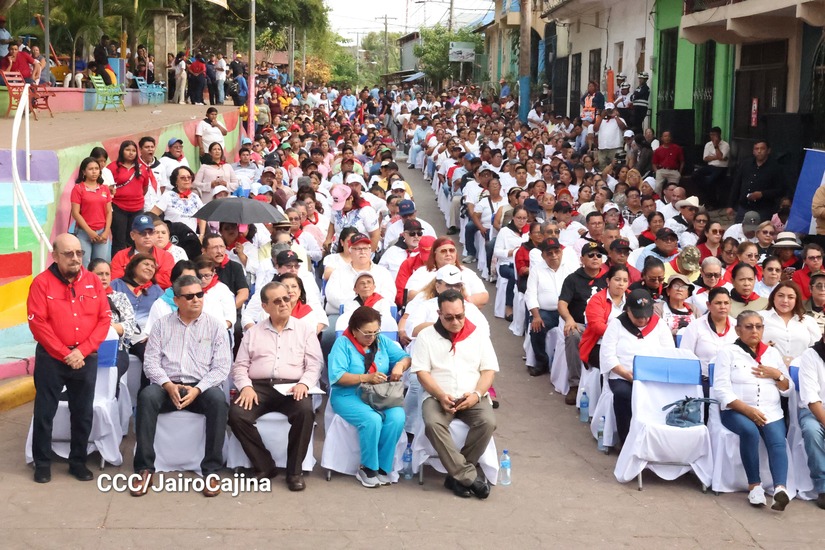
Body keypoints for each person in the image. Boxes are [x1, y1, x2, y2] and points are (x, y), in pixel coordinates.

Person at [130, 275, 231, 497]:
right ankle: (144, 469)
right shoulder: (161, 325)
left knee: (218, 401)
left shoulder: (215, 327)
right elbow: (151, 363)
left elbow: (222, 367)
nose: (196, 300)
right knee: (147, 396)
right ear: (176, 300)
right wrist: (167, 385)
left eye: (199, 294)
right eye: (189, 296)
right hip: (167, 386)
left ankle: (212, 471)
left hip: (201, 387)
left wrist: (198, 389)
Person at [27, 234, 112, 483]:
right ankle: (42, 463)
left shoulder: (93, 281)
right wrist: (66, 353)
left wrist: (82, 351)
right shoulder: (41, 283)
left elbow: (104, 319)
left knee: (82, 413)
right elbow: (38, 324)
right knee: (45, 413)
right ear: (55, 256)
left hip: (85, 357)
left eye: (79, 253)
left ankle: (78, 462)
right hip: (52, 358)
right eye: (68, 253)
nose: (75, 258)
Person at [228, 282, 322, 491]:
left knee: (305, 411)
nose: (283, 304)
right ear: (265, 306)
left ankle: (294, 472)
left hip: (292, 387)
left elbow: (315, 364)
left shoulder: (305, 330)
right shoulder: (253, 333)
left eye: (286, 299)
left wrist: (304, 384)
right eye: (277, 301)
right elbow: (240, 366)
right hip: (258, 387)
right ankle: (264, 466)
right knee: (237, 414)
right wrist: (245, 387)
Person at [412, 290, 498, 499]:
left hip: (472, 395)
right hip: (437, 395)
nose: (456, 322)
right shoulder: (426, 336)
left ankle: (457, 476)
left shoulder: (478, 335)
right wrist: (440, 395)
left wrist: (477, 394)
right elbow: (422, 372)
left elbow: (488, 371)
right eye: (449, 317)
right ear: (439, 314)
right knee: (433, 424)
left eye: (459, 316)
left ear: (464, 311)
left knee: (487, 422)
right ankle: (468, 476)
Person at [713, 310, 792, 510]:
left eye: (758, 327)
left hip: (770, 410)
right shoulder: (728, 352)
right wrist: (748, 411)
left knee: (777, 441)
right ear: (738, 330)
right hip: (737, 410)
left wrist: (777, 375)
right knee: (750, 432)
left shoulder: (772, 353)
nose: (754, 331)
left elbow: (788, 389)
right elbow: (721, 390)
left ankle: (780, 489)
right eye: (749, 327)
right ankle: (754, 487)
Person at [328, 306, 411, 488]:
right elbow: (337, 376)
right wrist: (365, 378)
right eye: (367, 334)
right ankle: (367, 467)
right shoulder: (343, 344)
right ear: (354, 330)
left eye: (375, 332)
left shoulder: (381, 342)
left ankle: (383, 467)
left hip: (379, 394)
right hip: (349, 394)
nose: (371, 337)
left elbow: (405, 357)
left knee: (397, 417)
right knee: (372, 419)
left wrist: (399, 366)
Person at [600, 288, 675, 444]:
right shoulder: (617, 324)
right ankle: (627, 441)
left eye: (646, 315)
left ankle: (653, 441)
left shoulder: (659, 325)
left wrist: (652, 374)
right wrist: (625, 374)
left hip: (653, 376)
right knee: (624, 395)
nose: (643, 320)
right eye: (638, 316)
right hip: (622, 375)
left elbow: (669, 353)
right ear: (628, 311)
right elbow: (608, 355)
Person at [525, 237, 576, 378]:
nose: (554, 255)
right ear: (543, 255)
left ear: (561, 252)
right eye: (549, 253)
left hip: (568, 311)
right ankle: (542, 362)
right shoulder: (536, 270)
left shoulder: (570, 268)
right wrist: (536, 316)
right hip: (546, 312)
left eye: (556, 251)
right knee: (537, 328)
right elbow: (530, 294)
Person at [88, 259, 136, 391]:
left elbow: (130, 327)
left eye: (107, 274)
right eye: (100, 274)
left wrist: (107, 327)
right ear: (90, 275)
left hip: (116, 349)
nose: (104, 277)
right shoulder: (81, 297)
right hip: (86, 349)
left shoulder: (120, 297)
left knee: (111, 382)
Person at [579, 264, 630, 371]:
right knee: (618, 361)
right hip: (598, 344)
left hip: (627, 343)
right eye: (617, 279)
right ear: (608, 281)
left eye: (625, 280)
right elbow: (597, 326)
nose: (621, 284)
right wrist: (622, 334)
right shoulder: (597, 299)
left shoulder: (632, 298)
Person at [795, 335, 825, 509]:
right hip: (815, 410)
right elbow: (811, 398)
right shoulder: (811, 356)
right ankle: (823, 487)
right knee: (812, 431)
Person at [760, 281, 819, 366]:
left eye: (790, 297)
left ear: (796, 300)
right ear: (773, 297)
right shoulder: (760, 317)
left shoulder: (808, 321)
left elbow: (817, 350)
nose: (785, 300)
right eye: (780, 296)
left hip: (801, 369)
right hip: (768, 368)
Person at [110, 214, 175, 290]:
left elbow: (166, 280)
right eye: (143, 233)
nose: (147, 236)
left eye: (151, 232)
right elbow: (115, 280)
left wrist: (138, 282)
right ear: (132, 235)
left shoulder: (166, 256)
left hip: (155, 295)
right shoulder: (120, 256)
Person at [109, 140, 151, 255]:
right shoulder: (112, 167)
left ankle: (133, 262)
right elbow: (107, 187)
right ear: (121, 151)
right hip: (118, 208)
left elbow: (144, 188)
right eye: (127, 150)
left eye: (133, 150)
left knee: (135, 239)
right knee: (119, 239)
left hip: (137, 209)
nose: (131, 153)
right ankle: (119, 263)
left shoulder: (142, 168)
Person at [727, 141, 785, 223]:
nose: (759, 151)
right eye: (756, 149)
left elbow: (780, 190)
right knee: (739, 228)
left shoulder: (775, 168)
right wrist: (730, 205)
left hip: (763, 209)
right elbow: (736, 185)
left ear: (768, 150)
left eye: (762, 148)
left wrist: (762, 194)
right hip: (744, 207)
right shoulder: (746, 164)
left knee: (760, 230)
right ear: (753, 151)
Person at [70, 157, 113, 262]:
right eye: (90, 169)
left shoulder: (105, 189)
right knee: (83, 264)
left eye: (96, 169)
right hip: (84, 232)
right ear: (84, 172)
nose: (94, 172)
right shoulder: (78, 189)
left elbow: (109, 212)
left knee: (99, 264)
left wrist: (106, 232)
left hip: (102, 232)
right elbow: (75, 213)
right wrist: (90, 232)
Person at [150, 166, 206, 237]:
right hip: (173, 237)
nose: (187, 179)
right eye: (182, 178)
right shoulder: (168, 196)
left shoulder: (195, 197)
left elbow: (203, 216)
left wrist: (201, 235)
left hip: (191, 238)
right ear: (176, 181)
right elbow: (152, 214)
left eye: (189, 177)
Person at [654, 274, 696, 338]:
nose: (679, 289)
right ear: (668, 291)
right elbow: (656, 332)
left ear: (688, 294)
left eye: (684, 287)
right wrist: (677, 332)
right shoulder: (658, 308)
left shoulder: (694, 309)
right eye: (676, 286)